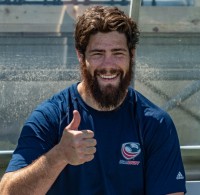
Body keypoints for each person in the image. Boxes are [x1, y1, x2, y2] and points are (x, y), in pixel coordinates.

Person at [0, 5, 186, 195]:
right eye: (98, 54)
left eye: (117, 53)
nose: (108, 65)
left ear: (132, 55)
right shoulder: (50, 117)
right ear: (81, 56)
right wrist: (59, 156)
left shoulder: (155, 124)